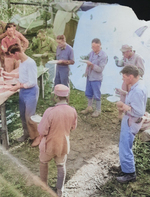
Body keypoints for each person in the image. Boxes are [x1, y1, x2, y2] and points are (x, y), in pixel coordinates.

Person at [38, 84, 77, 197]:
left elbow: (42, 130)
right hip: (63, 144)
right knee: (61, 165)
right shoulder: (72, 111)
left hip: (49, 145)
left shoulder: (50, 111)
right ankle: (60, 189)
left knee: (43, 162)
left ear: (55, 96)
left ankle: (44, 184)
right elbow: (73, 127)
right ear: (67, 96)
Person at [2, 43, 40, 147]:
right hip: (23, 91)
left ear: (17, 53)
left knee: (29, 117)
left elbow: (32, 82)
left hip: (31, 92)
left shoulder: (30, 63)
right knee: (23, 115)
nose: (13, 57)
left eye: (13, 55)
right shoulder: (22, 62)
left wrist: (18, 86)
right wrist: (9, 75)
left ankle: (37, 137)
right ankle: (27, 134)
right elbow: (22, 74)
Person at [116, 65, 147, 183]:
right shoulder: (137, 86)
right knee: (124, 144)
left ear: (130, 76)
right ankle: (125, 166)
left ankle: (129, 174)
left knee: (125, 146)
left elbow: (138, 112)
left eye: (124, 77)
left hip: (131, 121)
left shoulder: (138, 90)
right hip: (130, 119)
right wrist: (124, 93)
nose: (123, 79)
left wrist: (123, 106)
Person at [114, 44, 145, 118]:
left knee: (132, 99)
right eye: (122, 53)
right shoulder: (125, 58)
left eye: (124, 52)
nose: (123, 54)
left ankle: (132, 117)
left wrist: (131, 72)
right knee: (123, 96)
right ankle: (120, 116)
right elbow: (120, 64)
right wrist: (116, 60)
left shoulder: (138, 58)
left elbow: (141, 71)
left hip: (134, 83)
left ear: (129, 51)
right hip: (126, 82)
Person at [81, 38, 108, 117]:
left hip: (96, 78)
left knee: (97, 94)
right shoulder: (91, 53)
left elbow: (100, 69)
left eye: (94, 47)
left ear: (99, 46)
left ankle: (98, 110)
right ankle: (89, 107)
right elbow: (88, 61)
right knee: (89, 93)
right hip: (89, 76)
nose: (93, 48)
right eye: (92, 46)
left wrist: (91, 65)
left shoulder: (103, 55)